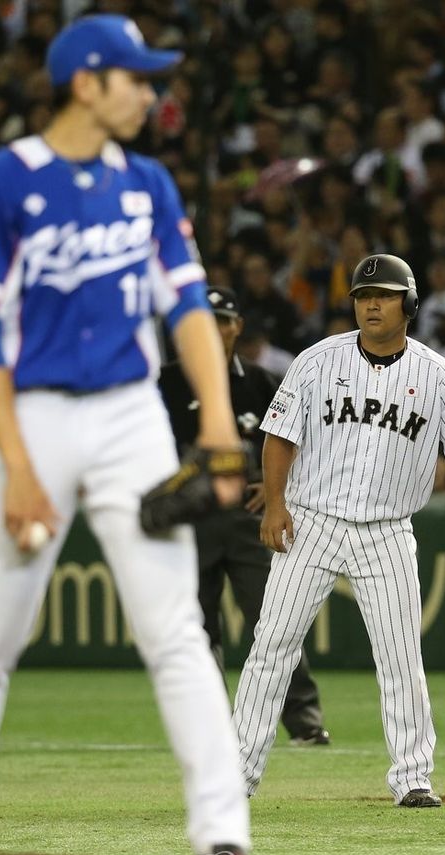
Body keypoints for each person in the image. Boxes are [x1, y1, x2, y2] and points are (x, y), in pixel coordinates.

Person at [0, 15, 250, 855]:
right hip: (35, 416)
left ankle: (224, 836)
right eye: (137, 79)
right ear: (87, 82)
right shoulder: (2, 183)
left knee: (175, 630)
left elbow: (190, 306)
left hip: (131, 416)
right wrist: (15, 465)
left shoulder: (151, 184)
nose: (152, 94)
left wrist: (216, 424)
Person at [233, 254, 445, 808]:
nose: (371, 303)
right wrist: (275, 505)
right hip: (313, 522)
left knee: (401, 655)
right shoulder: (316, 361)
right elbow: (278, 436)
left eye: (384, 294)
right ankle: (235, 776)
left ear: (410, 303)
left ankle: (413, 777)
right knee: (271, 646)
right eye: (362, 295)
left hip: (387, 532)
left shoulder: (438, 374)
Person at [159, 285, 330, 745]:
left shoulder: (260, 381)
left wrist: (279, 489)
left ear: (237, 327)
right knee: (196, 628)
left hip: (249, 522)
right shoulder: (167, 384)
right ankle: (211, 726)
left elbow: (305, 442)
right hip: (188, 521)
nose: (215, 330)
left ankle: (305, 722)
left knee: (276, 619)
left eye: (223, 320)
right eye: (205, 321)